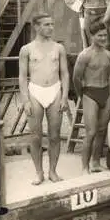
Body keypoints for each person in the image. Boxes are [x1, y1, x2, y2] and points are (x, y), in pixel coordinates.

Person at [18, 14, 70, 185]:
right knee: (35, 136)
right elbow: (22, 76)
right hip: (35, 92)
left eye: (52, 24)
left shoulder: (58, 48)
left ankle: (53, 171)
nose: (51, 28)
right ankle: (39, 173)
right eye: (47, 24)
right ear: (36, 26)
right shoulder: (26, 49)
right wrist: (25, 100)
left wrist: (64, 96)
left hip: (55, 91)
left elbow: (64, 73)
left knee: (55, 136)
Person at [73, 22, 110, 174]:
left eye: (105, 35)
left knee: (102, 131)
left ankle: (95, 162)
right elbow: (76, 78)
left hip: (105, 93)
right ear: (92, 36)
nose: (103, 38)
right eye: (100, 35)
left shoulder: (109, 55)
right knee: (91, 132)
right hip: (90, 92)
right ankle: (85, 167)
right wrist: (81, 94)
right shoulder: (84, 55)